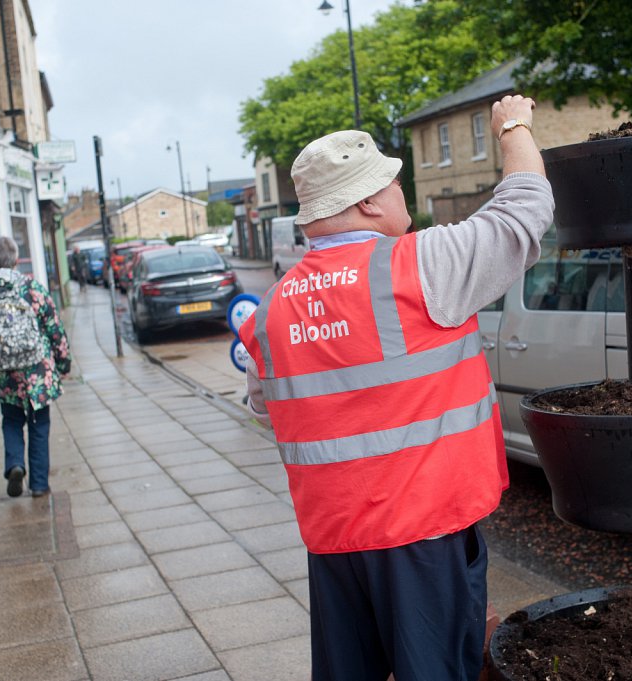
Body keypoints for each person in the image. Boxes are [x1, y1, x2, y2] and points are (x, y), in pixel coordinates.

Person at [237, 95, 553, 681]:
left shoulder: (270, 310)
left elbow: (266, 407)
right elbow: (524, 212)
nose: (401, 193)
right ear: (368, 201)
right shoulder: (422, 265)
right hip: (423, 535)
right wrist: (513, 126)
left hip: (333, 542)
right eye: (394, 183)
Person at [0, 236, 71, 498]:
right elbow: (55, 329)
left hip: (5, 374)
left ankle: (15, 464)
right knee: (39, 424)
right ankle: (39, 485)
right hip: (37, 371)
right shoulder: (33, 289)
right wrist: (63, 362)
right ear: (16, 260)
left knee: (12, 420)